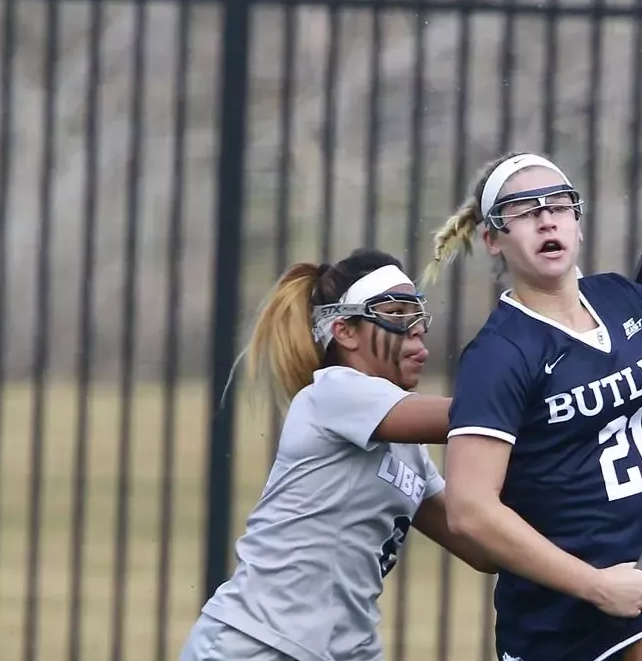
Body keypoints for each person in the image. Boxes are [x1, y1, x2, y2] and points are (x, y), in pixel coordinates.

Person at [422, 152, 642, 661]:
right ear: (493, 239)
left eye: (560, 205)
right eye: (525, 210)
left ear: (578, 222)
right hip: (555, 614)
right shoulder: (499, 355)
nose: (547, 218)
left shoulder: (624, 300)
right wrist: (595, 585)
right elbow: (469, 510)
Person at [179, 247, 495, 661]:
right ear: (345, 331)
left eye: (417, 314)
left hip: (343, 650)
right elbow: (471, 419)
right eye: (396, 312)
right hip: (255, 644)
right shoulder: (333, 392)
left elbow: (477, 543)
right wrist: (555, 401)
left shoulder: (408, 450)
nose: (416, 328)